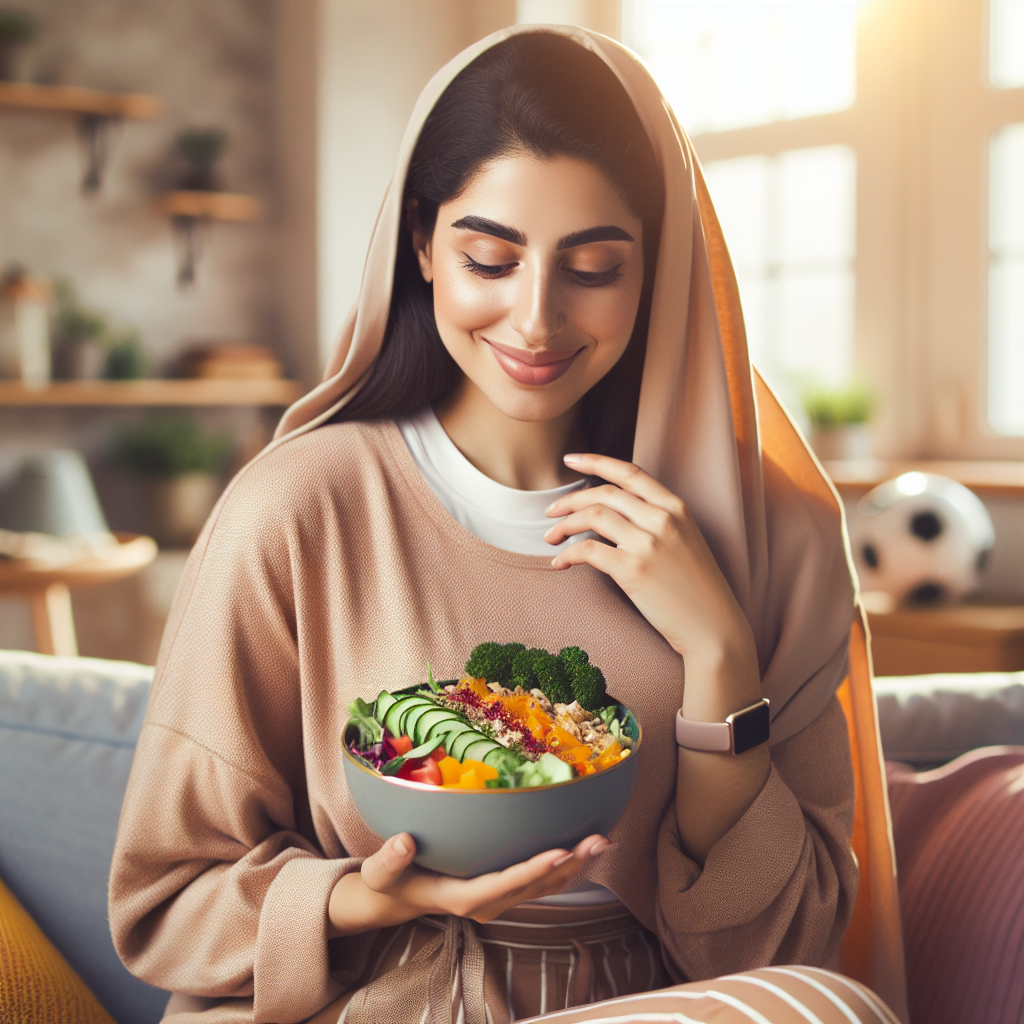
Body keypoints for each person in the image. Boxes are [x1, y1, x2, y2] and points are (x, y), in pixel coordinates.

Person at [109, 26, 898, 1024]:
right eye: (490, 256)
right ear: (423, 246)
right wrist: (362, 893)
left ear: (658, 270)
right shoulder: (297, 509)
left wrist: (717, 651)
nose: (535, 318)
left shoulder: (770, 537)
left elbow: (781, 946)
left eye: (594, 267)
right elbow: (164, 903)